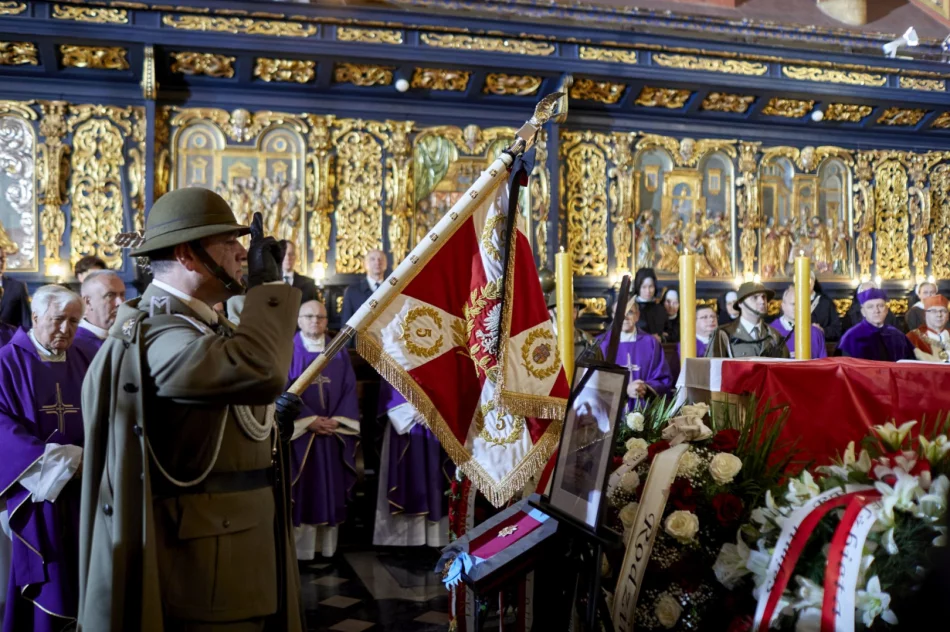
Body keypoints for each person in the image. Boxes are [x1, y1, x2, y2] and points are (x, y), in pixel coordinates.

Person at [77, 188, 305, 632]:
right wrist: (269, 290)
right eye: (228, 242)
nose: (243, 252)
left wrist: (269, 422)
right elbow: (257, 369)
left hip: (240, 547)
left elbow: (217, 417)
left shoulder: (206, 324)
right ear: (187, 255)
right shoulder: (159, 335)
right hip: (207, 569)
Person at [0, 285, 89, 631]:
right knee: (49, 574)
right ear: (35, 317)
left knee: (83, 574)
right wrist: (59, 460)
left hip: (86, 489)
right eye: (57, 320)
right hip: (38, 491)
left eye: (74, 321)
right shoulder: (7, 362)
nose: (66, 329)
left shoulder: (86, 357)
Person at [288, 300, 359, 560]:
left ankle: (326, 549)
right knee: (303, 491)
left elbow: (349, 387)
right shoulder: (288, 350)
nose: (315, 321)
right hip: (300, 436)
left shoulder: (337, 351)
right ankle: (302, 551)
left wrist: (337, 421)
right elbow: (282, 389)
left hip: (332, 434)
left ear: (327, 321)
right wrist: (309, 420)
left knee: (330, 488)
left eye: (320, 317)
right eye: (309, 316)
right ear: (299, 320)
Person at [373, 382, 454, 548]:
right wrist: (410, 411)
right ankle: (406, 540)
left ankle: (437, 538)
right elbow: (390, 373)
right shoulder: (394, 353)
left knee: (437, 476)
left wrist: (437, 407)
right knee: (408, 474)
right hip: (407, 420)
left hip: (440, 420)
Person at [598, 299, 672, 411]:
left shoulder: (651, 343)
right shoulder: (601, 344)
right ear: (613, 316)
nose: (625, 317)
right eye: (620, 313)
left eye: (630, 312)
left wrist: (645, 387)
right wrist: (624, 389)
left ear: (637, 316)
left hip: (645, 412)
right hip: (611, 411)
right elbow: (594, 381)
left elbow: (663, 378)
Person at [707, 282, 789, 358]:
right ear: (740, 303)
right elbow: (713, 369)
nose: (762, 301)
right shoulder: (723, 335)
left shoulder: (774, 335)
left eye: (763, 297)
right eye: (755, 297)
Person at [836, 287, 915, 362]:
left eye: (880, 306)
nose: (876, 310)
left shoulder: (898, 335)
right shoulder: (851, 337)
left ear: (887, 310)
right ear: (863, 312)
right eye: (870, 307)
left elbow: (908, 364)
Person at [73, 270, 126, 360]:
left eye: (122, 295)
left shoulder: (127, 337)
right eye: (110, 295)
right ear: (88, 302)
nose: (120, 302)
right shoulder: (73, 343)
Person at [769, 286, 828, 359]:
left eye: (801, 304)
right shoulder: (770, 332)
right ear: (783, 306)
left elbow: (823, 365)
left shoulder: (816, 333)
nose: (798, 308)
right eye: (793, 304)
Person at [341, 248, 386, 325]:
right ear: (366, 264)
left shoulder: (394, 288)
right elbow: (346, 324)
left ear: (386, 263)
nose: (377, 262)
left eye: (380, 259)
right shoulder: (352, 292)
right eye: (372, 259)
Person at [906, 295, 950, 363]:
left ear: (948, 316)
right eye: (933, 311)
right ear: (925, 314)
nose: (939, 315)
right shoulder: (913, 337)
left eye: (943, 311)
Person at [631, 267, 668, 338]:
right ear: (638, 287)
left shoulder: (660, 308)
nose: (648, 291)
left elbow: (666, 332)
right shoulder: (632, 308)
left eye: (651, 286)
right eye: (644, 287)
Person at [278, 240, 318, 304]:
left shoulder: (309, 284)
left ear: (295, 257)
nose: (287, 257)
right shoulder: (270, 283)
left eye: (291, 254)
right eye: (284, 254)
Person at [0, 247, 30, 330]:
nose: (0, 263)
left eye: (3, 259)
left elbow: (26, 321)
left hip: (9, 340)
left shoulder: (17, 287)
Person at [808, 271, 842, 341]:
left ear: (813, 282)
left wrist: (822, 330)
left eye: (808, 280)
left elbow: (837, 330)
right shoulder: (790, 302)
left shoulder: (826, 303)